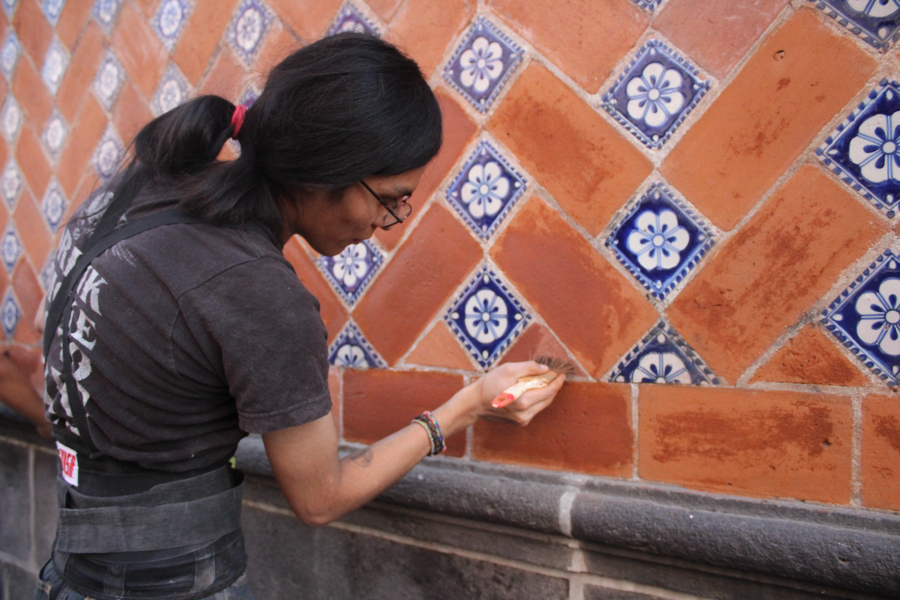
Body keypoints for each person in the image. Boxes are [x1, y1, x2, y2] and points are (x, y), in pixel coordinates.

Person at [35, 33, 564, 600]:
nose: (386, 224)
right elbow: (320, 498)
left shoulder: (134, 197)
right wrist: (468, 406)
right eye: (389, 199)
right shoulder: (256, 291)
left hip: (71, 573)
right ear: (325, 171)